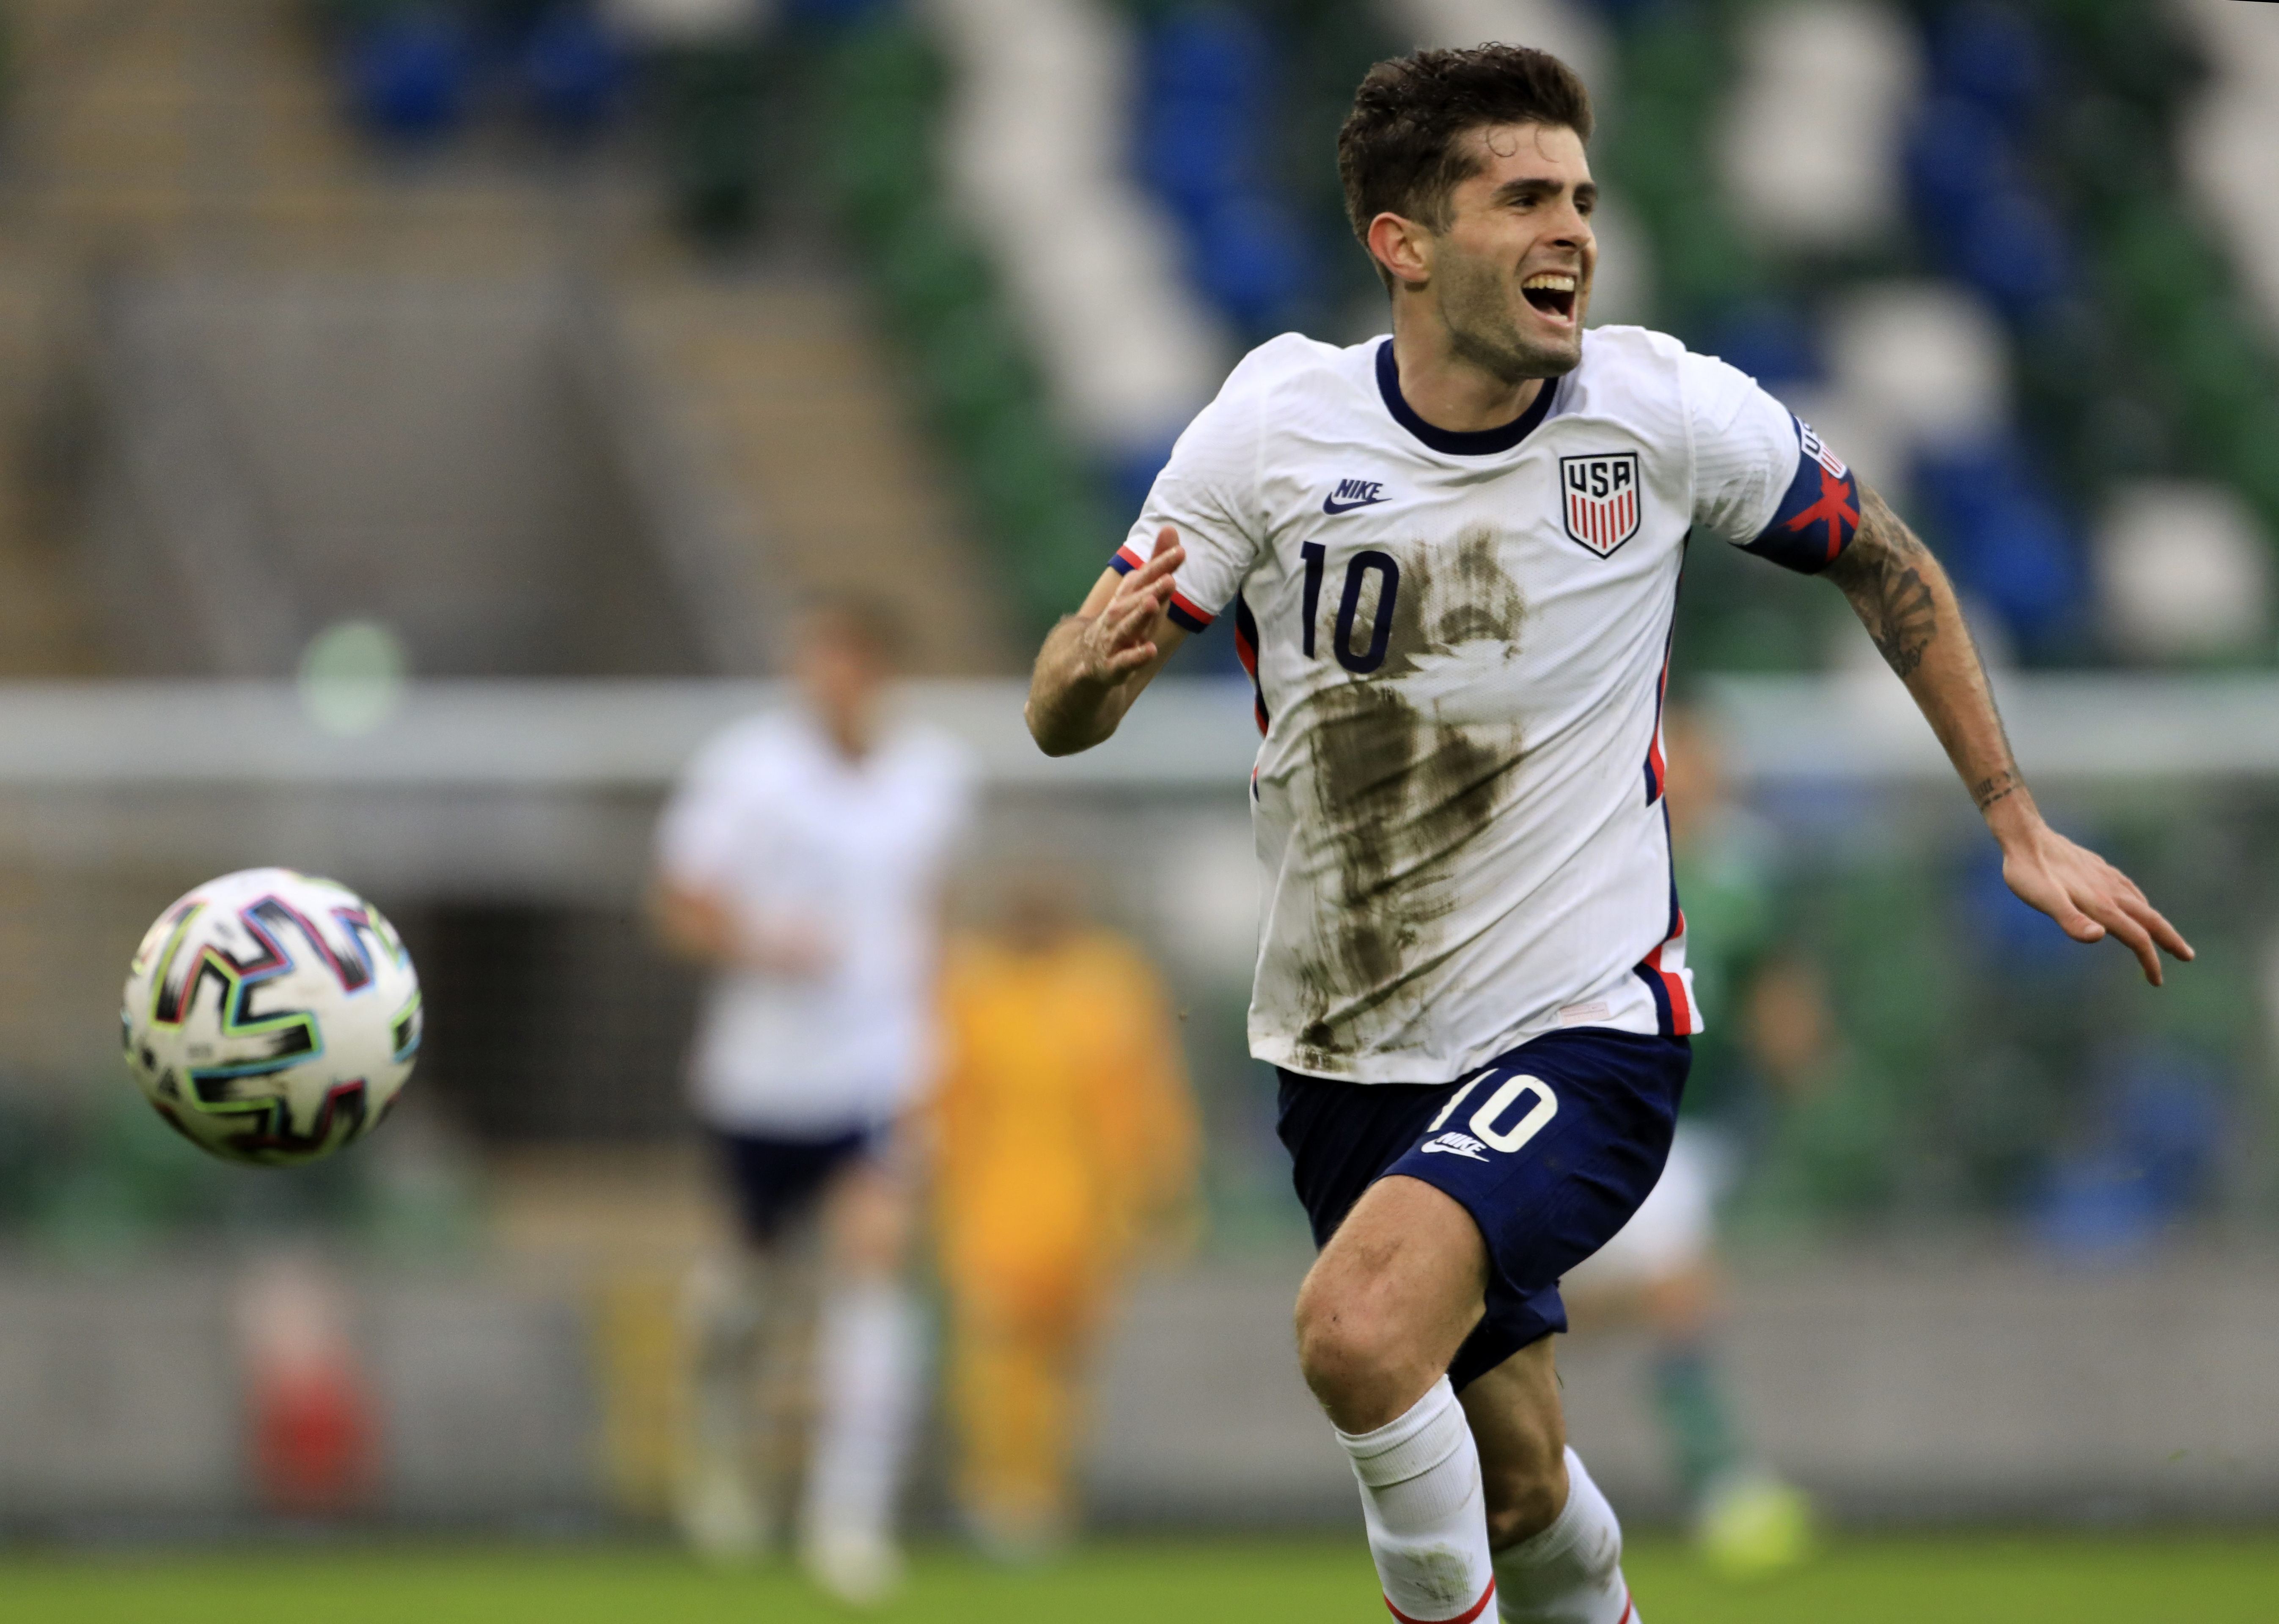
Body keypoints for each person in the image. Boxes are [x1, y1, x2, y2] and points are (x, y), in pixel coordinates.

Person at [1022, 43, 2191, 1624]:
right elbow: (1067, 699)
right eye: (1520, 198)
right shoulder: (1271, 430)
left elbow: (1881, 557)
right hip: (1341, 1050)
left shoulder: (1657, 411)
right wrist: (1070, 690)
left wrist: (2011, 816)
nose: (1571, 227)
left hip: (1583, 1029)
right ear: (1404, 244)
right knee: (1517, 1489)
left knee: (1357, 1337)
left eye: (1578, 194)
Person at [652, 596, 975, 1602]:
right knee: (744, 1292)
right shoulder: (745, 772)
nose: (823, 677)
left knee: (873, 1269)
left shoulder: (934, 778)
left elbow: (929, 909)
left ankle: (851, 1519)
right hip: (760, 1076)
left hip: (877, 1070)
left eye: (843, 659)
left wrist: (937, 1028)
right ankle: (716, 1440)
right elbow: (679, 904)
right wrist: (759, 943)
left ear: (878, 672)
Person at [1559, 709, 1811, 1575]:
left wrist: (1797, 1047)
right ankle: (1726, 1486)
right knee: (1672, 1290)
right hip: (1622, 1116)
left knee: (1639, 1296)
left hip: (1707, 1123)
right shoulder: (1609, 855)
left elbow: (1779, 983)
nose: (1700, 772)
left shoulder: (1751, 866)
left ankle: (1488, 1343)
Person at [930, 874, 1200, 1558]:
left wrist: (1162, 1189)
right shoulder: (970, 984)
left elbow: (1149, 1091)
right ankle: (1000, 1493)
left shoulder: (1110, 980)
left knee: (1069, 1361)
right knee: (995, 1353)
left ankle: (1046, 1493)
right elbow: (944, 1098)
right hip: (992, 1202)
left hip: (1089, 1209)